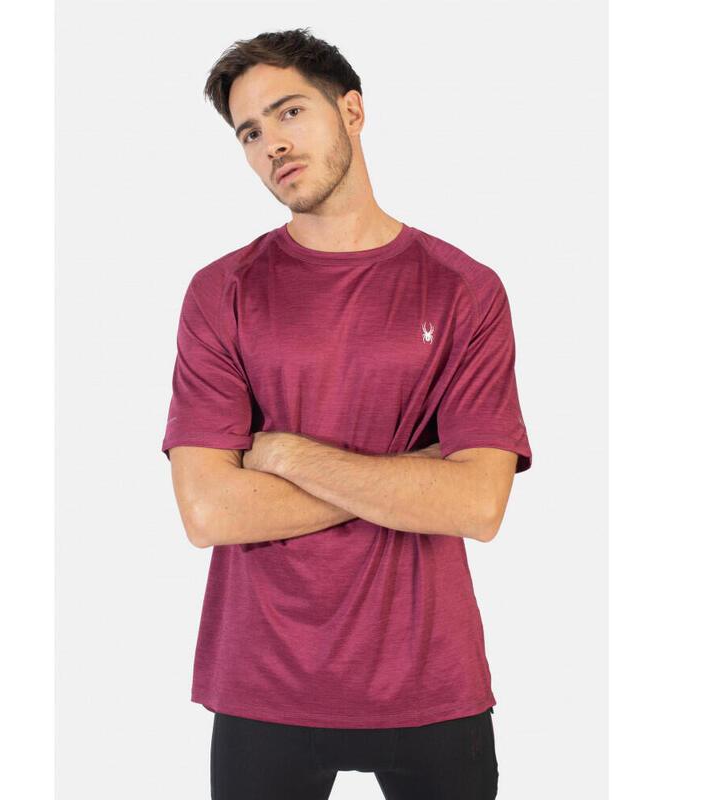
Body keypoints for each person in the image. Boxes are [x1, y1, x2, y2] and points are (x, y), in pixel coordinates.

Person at [161, 27, 532, 800]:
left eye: (290, 112)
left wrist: (286, 455)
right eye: (250, 132)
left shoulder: (464, 289)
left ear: (352, 111)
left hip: (431, 682)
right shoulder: (221, 291)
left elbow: (477, 503)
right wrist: (415, 478)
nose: (272, 144)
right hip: (264, 683)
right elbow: (209, 512)